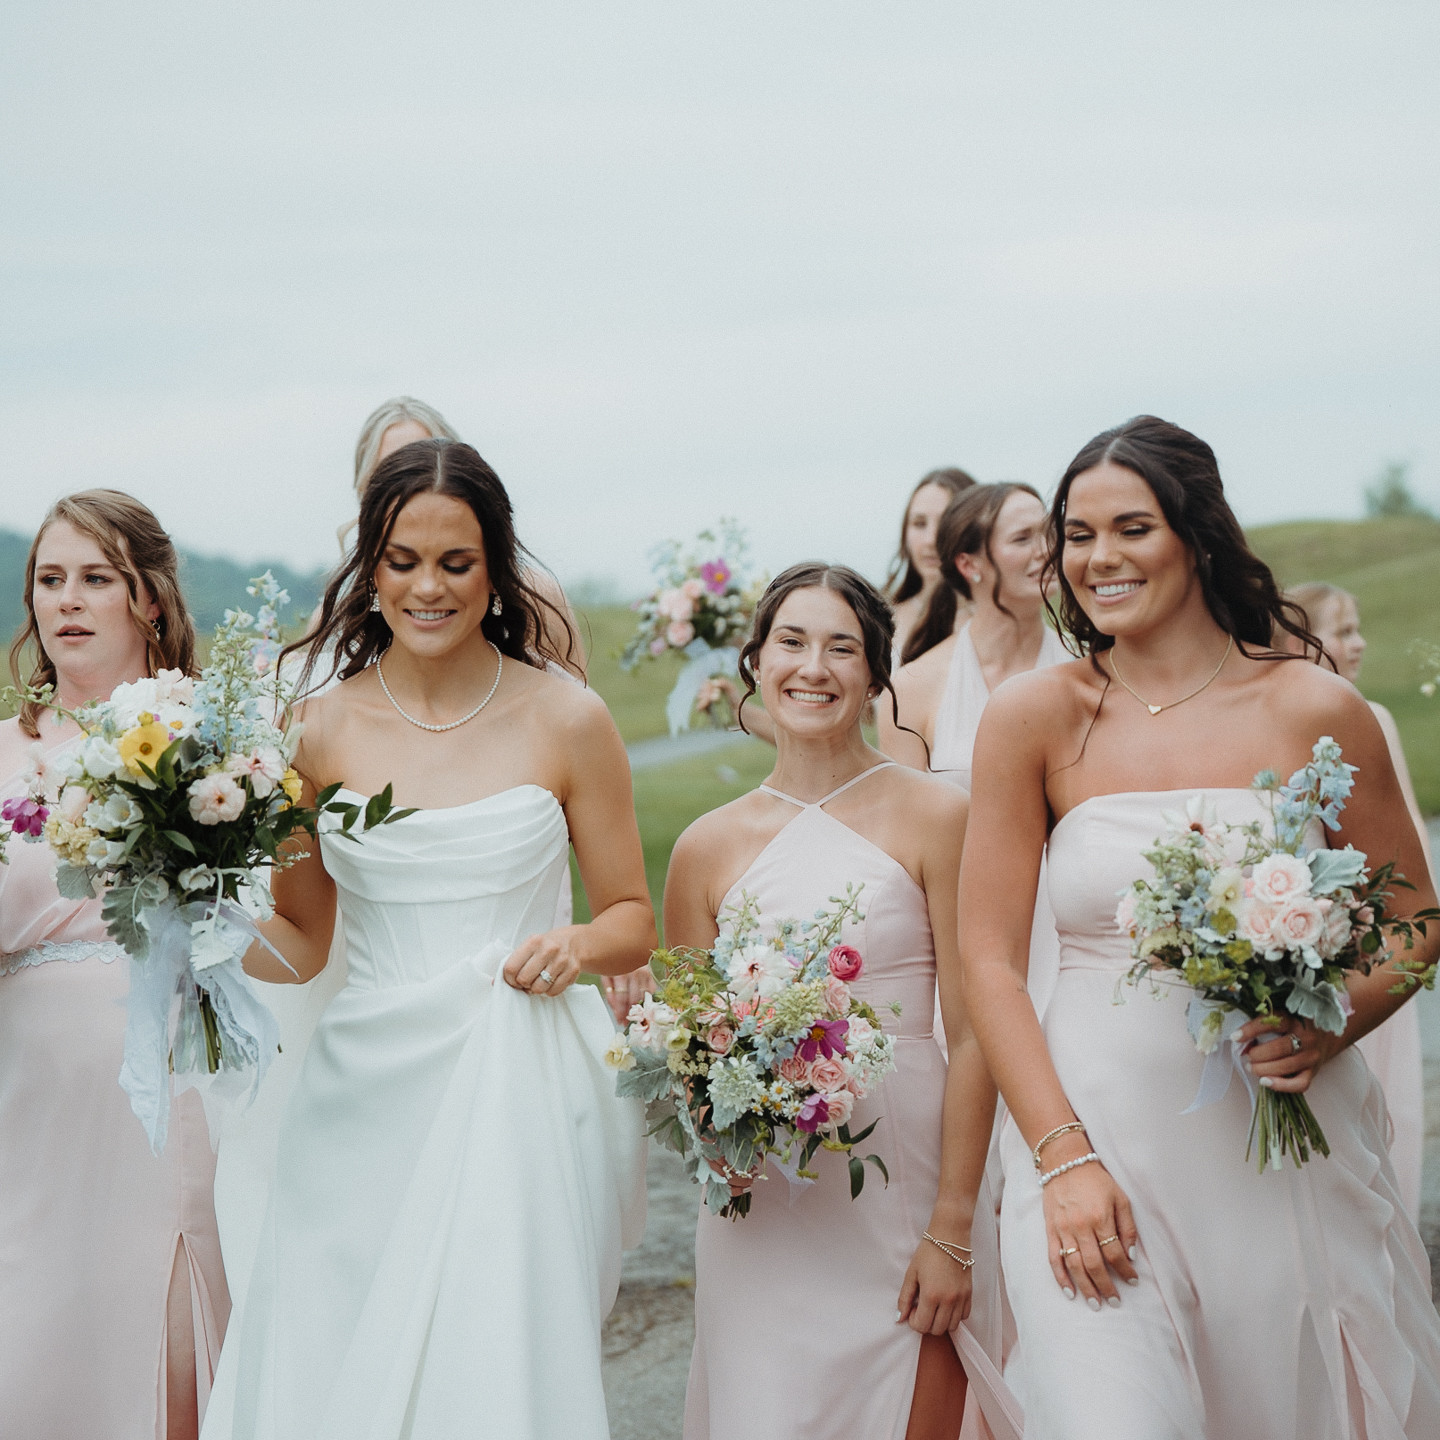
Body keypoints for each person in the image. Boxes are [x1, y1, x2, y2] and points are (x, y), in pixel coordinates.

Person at [960, 415, 1440, 1440]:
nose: (1099, 559)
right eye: (1076, 536)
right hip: (1094, 1142)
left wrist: (1334, 1020)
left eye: (1130, 528)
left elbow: (1415, 917)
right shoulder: (1037, 717)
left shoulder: (1311, 705)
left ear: (1198, 534)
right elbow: (988, 963)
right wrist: (1061, 1158)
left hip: (1274, 1160)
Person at [201, 440, 651, 1440]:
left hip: (519, 1085)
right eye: (403, 560)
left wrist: (576, 946)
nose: (428, 586)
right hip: (361, 1095)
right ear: (370, 568)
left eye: (456, 561)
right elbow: (304, 941)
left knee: (492, 1368)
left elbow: (631, 915)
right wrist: (195, 928)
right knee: (329, 1351)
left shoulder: (569, 719)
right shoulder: (314, 731)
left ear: (495, 568)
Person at [668, 563, 1004, 1440]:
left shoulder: (937, 816)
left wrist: (954, 1225)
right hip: (766, 1213)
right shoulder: (705, 848)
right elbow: (683, 1047)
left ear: (875, 676)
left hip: (905, 1185)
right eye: (791, 641)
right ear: (754, 661)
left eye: (841, 647)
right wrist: (720, 1144)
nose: (812, 667)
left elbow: (975, 1035)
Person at [0, 490, 229, 1440]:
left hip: (170, 1076)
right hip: (29, 1097)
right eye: (51, 580)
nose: (69, 601)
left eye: (96, 578)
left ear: (149, 601)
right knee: (34, 1336)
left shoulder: (210, 744)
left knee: (160, 1335)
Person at [881, 482, 1071, 1041]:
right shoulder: (913, 689)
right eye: (1024, 538)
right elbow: (904, 854)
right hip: (969, 937)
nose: (1047, 549)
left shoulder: (1095, 670)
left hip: (1075, 924)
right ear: (970, 563)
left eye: (1049, 532)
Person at [1283, 581, 1429, 1220]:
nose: (1359, 642)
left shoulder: (1376, 717)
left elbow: (1408, 838)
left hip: (1383, 943)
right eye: (1343, 631)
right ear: (1302, 641)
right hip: (1333, 950)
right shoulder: (1291, 724)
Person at [885, 468, 978, 665]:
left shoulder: (996, 622)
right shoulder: (883, 621)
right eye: (919, 523)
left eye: (946, 523)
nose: (931, 540)